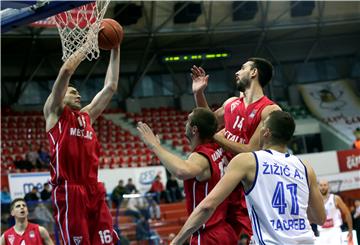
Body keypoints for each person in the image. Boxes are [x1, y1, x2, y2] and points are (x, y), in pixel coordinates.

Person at [171, 111, 326, 245]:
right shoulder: (305, 167)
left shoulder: (248, 161)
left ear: (266, 132)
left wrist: (177, 241)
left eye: (262, 125)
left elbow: (207, 205)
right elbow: (319, 218)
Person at [43, 32, 120, 244]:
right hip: (69, 190)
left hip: (93, 189)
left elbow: (111, 86)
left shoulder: (87, 117)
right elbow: (67, 70)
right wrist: (88, 44)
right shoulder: (53, 113)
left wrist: (115, 47)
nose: (79, 95)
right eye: (73, 92)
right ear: (60, 96)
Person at [191, 58, 282, 237]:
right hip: (223, 180)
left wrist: (216, 137)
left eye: (242, 68)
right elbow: (209, 122)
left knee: (251, 237)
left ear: (254, 73)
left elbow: (250, 151)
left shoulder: (269, 110)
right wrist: (198, 93)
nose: (237, 72)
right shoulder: (231, 103)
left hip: (247, 187)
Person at [137, 107, 238, 245]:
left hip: (208, 233)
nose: (185, 123)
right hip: (225, 230)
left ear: (194, 129)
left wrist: (155, 146)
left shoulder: (201, 156)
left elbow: (181, 171)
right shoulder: (217, 146)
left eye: (188, 121)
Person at [316, 179, 353, 245]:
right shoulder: (315, 201)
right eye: (321, 185)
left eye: (325, 185)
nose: (323, 187)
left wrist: (350, 230)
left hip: (334, 230)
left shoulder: (335, 198)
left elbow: (347, 213)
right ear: (318, 187)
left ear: (328, 186)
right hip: (322, 232)